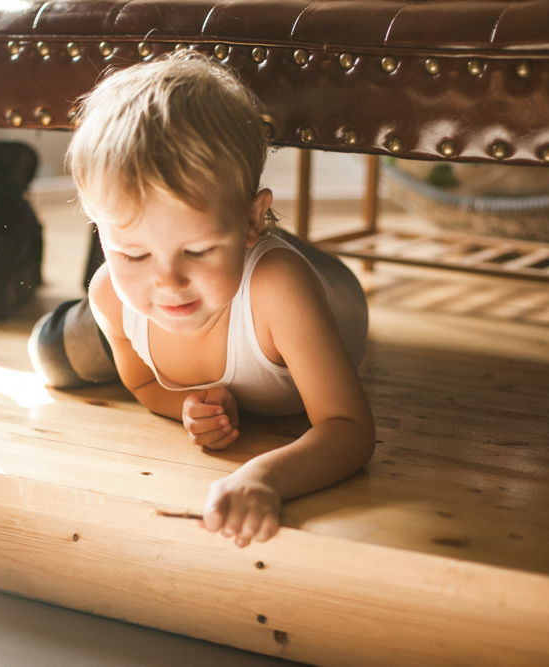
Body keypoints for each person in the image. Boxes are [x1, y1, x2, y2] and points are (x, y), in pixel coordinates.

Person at [29, 51, 375, 548]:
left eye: (195, 250)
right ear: (97, 229)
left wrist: (263, 477)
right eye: (133, 252)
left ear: (253, 219)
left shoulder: (280, 289)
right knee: (54, 357)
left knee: (270, 262)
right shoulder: (111, 292)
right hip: (191, 280)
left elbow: (349, 428)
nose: (169, 282)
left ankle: (241, 239)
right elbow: (145, 383)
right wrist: (187, 407)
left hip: (325, 286)